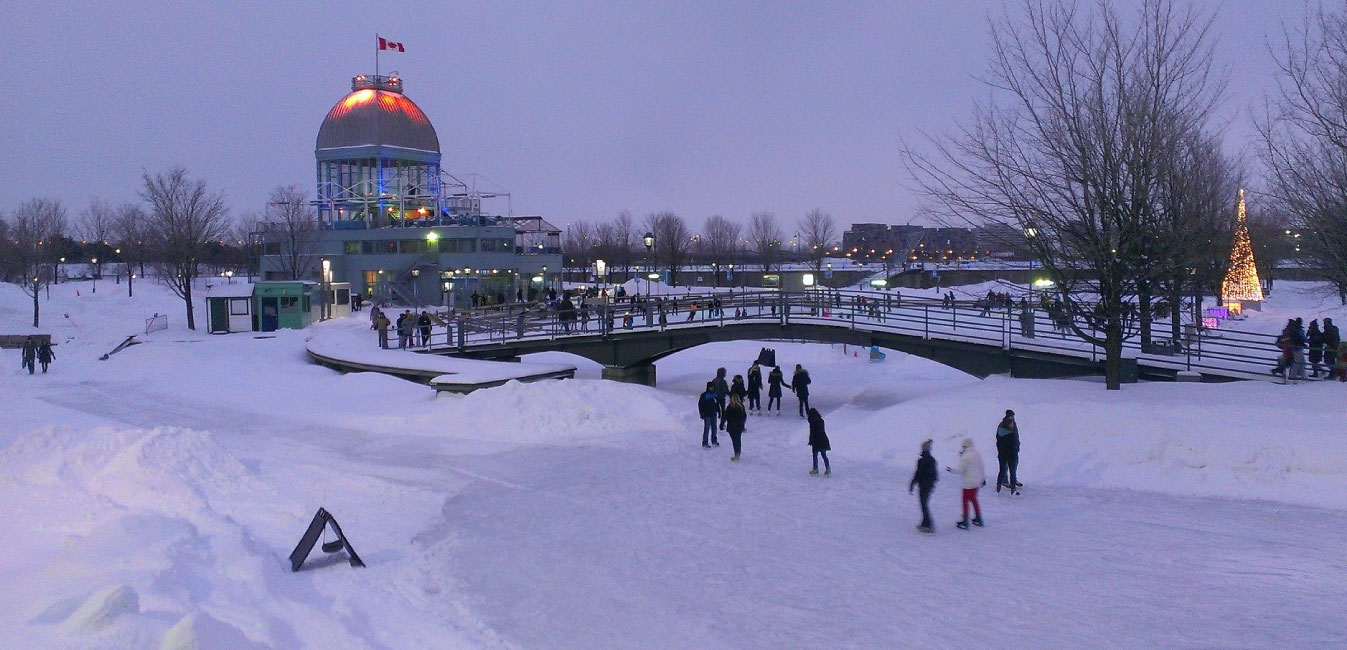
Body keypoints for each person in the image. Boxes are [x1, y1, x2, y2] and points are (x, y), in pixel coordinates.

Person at [946, 438, 987, 529]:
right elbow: (981, 467)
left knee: (965, 500)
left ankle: (965, 521)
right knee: (973, 499)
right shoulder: (976, 454)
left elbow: (960, 470)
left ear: (964, 446)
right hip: (977, 482)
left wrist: (951, 470)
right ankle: (978, 518)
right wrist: (983, 479)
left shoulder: (965, 457)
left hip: (968, 483)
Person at [909, 439, 939, 534]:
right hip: (929, 486)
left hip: (923, 486)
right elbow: (935, 475)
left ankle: (928, 525)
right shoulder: (932, 460)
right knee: (924, 504)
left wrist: (912, 484)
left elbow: (918, 474)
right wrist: (932, 484)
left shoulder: (921, 461)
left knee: (924, 505)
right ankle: (925, 523)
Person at [995, 410, 1021, 495]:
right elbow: (1014, 440)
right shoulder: (1010, 426)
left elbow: (998, 441)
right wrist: (1016, 447)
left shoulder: (1003, 425)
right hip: (1011, 453)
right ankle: (1010, 487)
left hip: (1003, 453)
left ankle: (999, 487)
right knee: (1011, 470)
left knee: (1003, 469)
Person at [722, 394, 748, 462]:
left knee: (735, 441)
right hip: (738, 426)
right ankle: (737, 454)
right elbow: (744, 417)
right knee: (737, 440)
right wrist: (742, 424)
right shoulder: (741, 407)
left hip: (732, 427)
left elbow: (725, 416)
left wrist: (722, 424)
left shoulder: (730, 407)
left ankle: (737, 454)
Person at [807, 407, 831, 476]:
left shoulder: (812, 422)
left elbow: (812, 432)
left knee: (815, 455)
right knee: (824, 455)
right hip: (823, 439)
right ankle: (828, 468)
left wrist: (810, 441)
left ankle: (815, 469)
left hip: (816, 440)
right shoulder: (821, 420)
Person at [698, 381, 720, 448]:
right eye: (710, 387)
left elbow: (717, 404)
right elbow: (700, 405)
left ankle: (714, 440)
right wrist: (701, 413)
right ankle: (705, 443)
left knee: (714, 428)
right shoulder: (704, 395)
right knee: (707, 429)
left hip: (714, 414)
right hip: (707, 415)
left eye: (713, 387)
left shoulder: (715, 395)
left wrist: (719, 412)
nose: (712, 388)